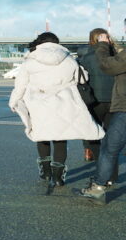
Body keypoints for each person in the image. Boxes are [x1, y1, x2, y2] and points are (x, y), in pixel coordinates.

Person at [9, 32, 104, 190]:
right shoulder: (68, 59)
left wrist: (13, 102)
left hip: (39, 103)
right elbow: (82, 79)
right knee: (61, 138)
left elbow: (20, 86)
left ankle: (45, 172)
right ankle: (58, 176)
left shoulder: (30, 61)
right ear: (56, 43)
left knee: (42, 136)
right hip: (64, 103)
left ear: (40, 43)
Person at [79, 30, 126, 202]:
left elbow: (107, 66)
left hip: (116, 105)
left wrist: (103, 45)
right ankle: (104, 181)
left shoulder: (89, 55)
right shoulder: (120, 53)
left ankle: (98, 186)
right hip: (114, 103)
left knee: (108, 146)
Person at [77, 28, 116, 169]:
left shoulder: (85, 56)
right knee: (110, 131)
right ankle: (109, 164)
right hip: (114, 98)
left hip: (92, 98)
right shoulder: (115, 54)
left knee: (91, 128)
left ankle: (89, 151)